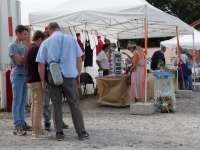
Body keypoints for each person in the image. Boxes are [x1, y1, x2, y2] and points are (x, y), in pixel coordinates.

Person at [36, 22, 89, 141]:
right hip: (70, 75)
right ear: (59, 28)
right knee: (74, 104)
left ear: (50, 31)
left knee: (56, 104)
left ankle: (59, 133)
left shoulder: (46, 42)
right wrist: (78, 75)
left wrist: (43, 80)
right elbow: (79, 59)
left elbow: (41, 64)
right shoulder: (71, 40)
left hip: (54, 76)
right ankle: (81, 132)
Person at [24, 30, 51, 139]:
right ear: (40, 39)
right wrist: (43, 80)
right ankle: (37, 133)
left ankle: (37, 130)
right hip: (36, 80)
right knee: (38, 106)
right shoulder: (36, 49)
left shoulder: (29, 48)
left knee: (34, 106)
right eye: (43, 41)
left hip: (30, 79)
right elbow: (41, 65)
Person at [42, 31, 69, 131]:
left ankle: (59, 122)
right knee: (46, 103)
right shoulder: (43, 49)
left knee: (56, 103)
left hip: (54, 78)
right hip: (48, 78)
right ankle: (47, 122)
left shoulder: (50, 49)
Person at [8, 25, 31, 136]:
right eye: (24, 34)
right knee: (17, 101)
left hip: (24, 75)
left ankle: (22, 122)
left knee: (22, 101)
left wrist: (23, 59)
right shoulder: (12, 46)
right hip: (17, 75)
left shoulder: (24, 47)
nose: (26, 36)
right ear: (18, 33)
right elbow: (20, 62)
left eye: (27, 34)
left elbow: (26, 60)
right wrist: (23, 59)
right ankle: (16, 125)